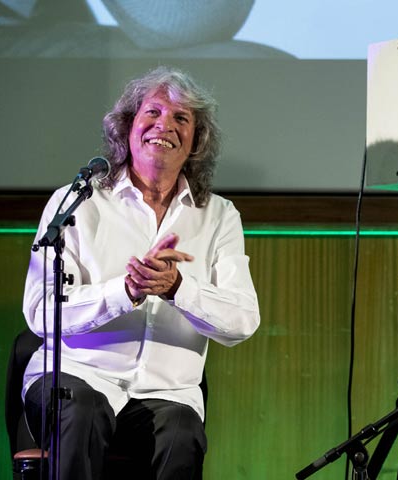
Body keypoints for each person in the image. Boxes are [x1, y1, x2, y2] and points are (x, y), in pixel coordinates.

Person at [22, 65, 261, 479]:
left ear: (196, 141)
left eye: (181, 118)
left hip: (167, 391)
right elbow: (40, 311)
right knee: (83, 412)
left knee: (183, 435)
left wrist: (178, 289)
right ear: (127, 128)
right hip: (77, 377)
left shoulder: (220, 216)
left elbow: (243, 320)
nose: (164, 125)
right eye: (152, 113)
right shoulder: (77, 202)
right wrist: (125, 291)